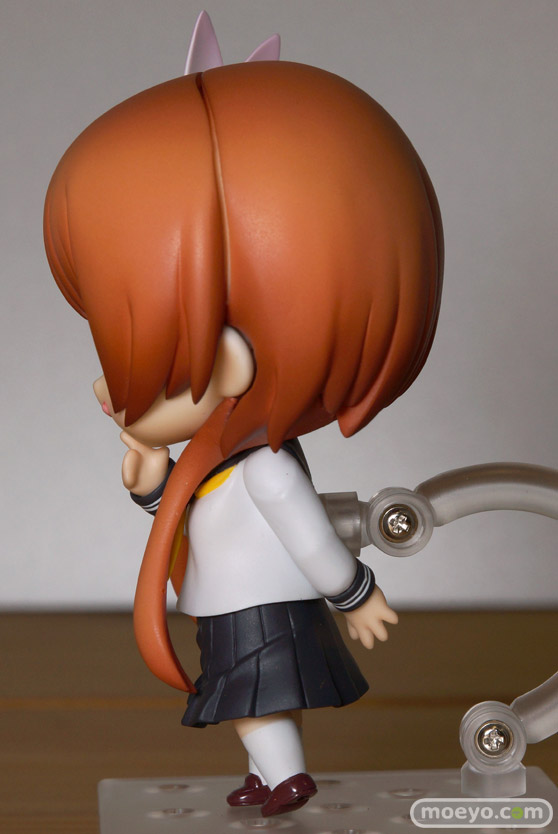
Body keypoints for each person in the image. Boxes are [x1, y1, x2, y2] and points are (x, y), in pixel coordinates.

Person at [44, 41, 443, 817]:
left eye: (139, 363)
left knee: (250, 695)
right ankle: (269, 775)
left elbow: (306, 534)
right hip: (235, 600)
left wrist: (354, 592)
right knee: (252, 696)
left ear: (228, 362)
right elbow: (197, 514)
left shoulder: (265, 467)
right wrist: (153, 484)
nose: (104, 390)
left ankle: (286, 777)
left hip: (257, 604)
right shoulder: (224, 459)